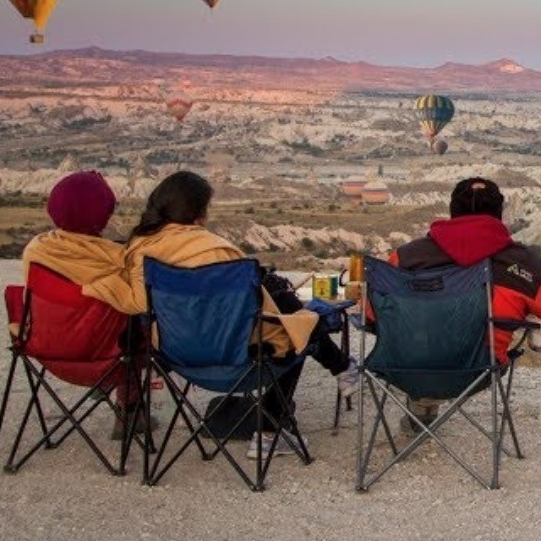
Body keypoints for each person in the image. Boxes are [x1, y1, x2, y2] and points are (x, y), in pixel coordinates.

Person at [88, 171, 358, 453]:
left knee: (291, 318)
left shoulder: (138, 252)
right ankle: (271, 431)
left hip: (176, 357)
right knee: (296, 329)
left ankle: (341, 369)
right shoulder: (217, 252)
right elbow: (259, 309)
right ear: (199, 214)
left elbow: (136, 304)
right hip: (237, 359)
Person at [385, 176, 541, 426]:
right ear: (498, 214)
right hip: (478, 370)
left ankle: (422, 403)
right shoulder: (520, 263)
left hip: (405, 366)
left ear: (453, 211)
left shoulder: (406, 257)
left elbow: (372, 315)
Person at [18, 171, 139, 438]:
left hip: (45, 350)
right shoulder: (116, 260)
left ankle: (109, 392)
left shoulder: (36, 251)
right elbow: (136, 303)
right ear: (103, 214)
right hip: (105, 357)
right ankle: (129, 411)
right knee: (138, 325)